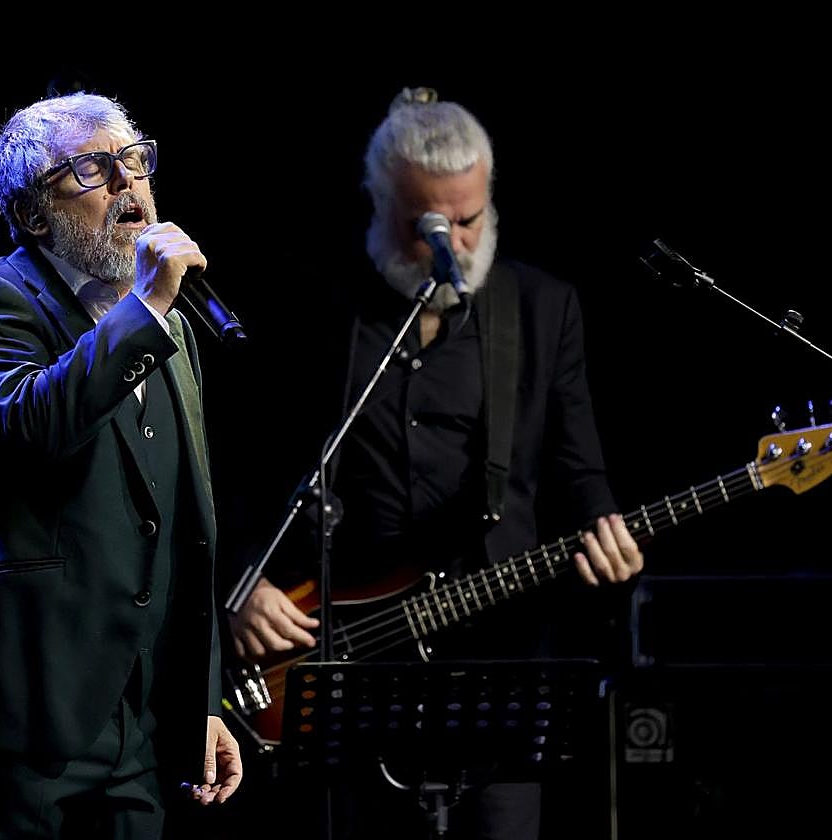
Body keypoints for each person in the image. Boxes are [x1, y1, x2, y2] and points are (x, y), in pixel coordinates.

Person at [228, 88, 643, 839]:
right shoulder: (316, 307)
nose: (455, 241)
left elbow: (579, 469)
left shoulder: (542, 309)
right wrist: (245, 583)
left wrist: (603, 527)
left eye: (470, 218)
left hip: (495, 663)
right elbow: (248, 463)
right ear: (379, 204)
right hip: (344, 672)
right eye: (428, 225)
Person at [0, 92, 241, 838]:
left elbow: (187, 526)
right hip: (12, 712)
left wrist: (202, 699)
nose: (128, 186)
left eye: (134, 162)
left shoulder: (170, 328)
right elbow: (34, 423)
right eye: (92, 170)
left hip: (136, 725)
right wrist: (144, 309)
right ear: (32, 214)